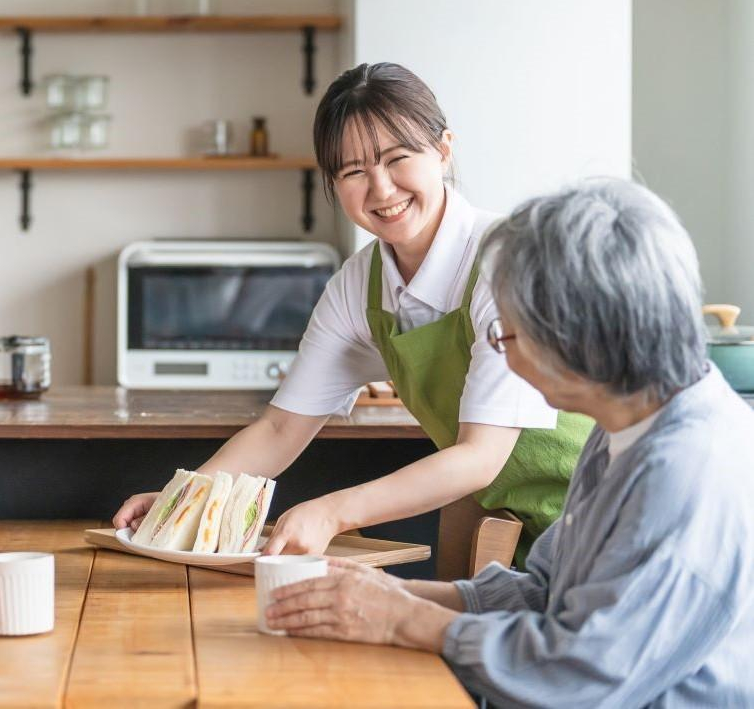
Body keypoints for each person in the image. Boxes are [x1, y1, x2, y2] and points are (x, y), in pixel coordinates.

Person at [265, 179, 754, 707]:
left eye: (509, 335)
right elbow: (545, 591)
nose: (506, 356)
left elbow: (582, 677)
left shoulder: (688, 469)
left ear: (583, 332)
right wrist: (393, 595)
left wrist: (404, 619)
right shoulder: (621, 431)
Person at [114, 63, 591, 562]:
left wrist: (332, 513)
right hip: (534, 539)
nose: (381, 190)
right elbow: (280, 430)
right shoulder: (358, 285)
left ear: (443, 150)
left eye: (398, 158)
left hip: (607, 519)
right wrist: (184, 499)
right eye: (354, 171)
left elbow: (479, 457)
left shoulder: (508, 261)